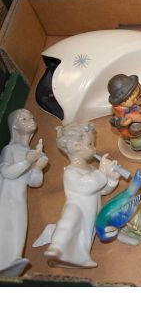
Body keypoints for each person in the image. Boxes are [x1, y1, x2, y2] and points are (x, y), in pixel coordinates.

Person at [43, 122, 120, 268]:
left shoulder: (91, 168)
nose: (94, 148)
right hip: (76, 207)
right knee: (68, 223)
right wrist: (101, 172)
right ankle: (57, 247)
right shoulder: (70, 171)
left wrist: (111, 179)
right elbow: (87, 186)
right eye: (90, 144)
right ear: (77, 147)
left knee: (86, 235)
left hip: (91, 211)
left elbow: (100, 190)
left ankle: (80, 257)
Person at [0, 109, 48, 276]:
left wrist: (38, 168)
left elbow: (34, 182)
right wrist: (28, 161)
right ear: (14, 126)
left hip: (20, 200)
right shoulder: (9, 149)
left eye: (31, 116)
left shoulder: (28, 152)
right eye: (24, 118)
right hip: (6, 199)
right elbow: (6, 172)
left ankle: (12, 262)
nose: (31, 119)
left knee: (19, 229)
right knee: (7, 228)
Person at [107, 74, 141, 152]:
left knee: (139, 126)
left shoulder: (123, 105)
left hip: (127, 123)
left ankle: (132, 137)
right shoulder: (128, 115)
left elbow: (136, 93)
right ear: (122, 101)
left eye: (136, 97)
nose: (136, 100)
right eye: (133, 100)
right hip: (131, 129)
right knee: (139, 127)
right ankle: (139, 143)